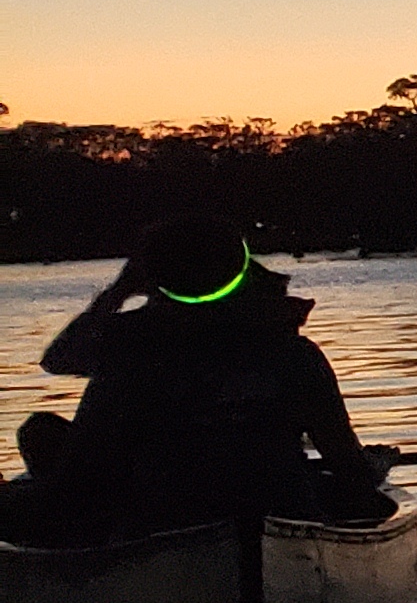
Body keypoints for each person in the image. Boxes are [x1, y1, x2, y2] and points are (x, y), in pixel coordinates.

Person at [10, 215, 389, 541]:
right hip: (275, 507)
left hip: (153, 520)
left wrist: (119, 291)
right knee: (42, 434)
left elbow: (60, 358)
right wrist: (371, 470)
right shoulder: (293, 355)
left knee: (40, 442)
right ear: (240, 270)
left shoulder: (124, 352)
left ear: (151, 277)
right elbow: (347, 466)